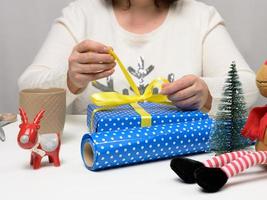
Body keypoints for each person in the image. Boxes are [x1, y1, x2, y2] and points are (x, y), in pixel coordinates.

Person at [18, 0, 258, 114]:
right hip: (92, 166)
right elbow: (27, 88)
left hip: (175, 160)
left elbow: (249, 86)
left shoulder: (200, 17)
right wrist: (70, 80)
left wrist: (206, 92)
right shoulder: (80, 16)